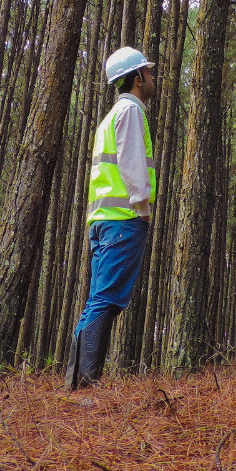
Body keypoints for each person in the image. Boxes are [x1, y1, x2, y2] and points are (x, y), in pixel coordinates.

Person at [64, 46, 157, 390]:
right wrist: (143, 209)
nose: (152, 77)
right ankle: (86, 386)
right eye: (148, 72)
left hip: (104, 221)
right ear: (137, 79)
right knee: (106, 300)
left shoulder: (111, 116)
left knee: (98, 300)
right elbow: (133, 166)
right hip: (123, 220)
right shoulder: (131, 111)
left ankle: (76, 384)